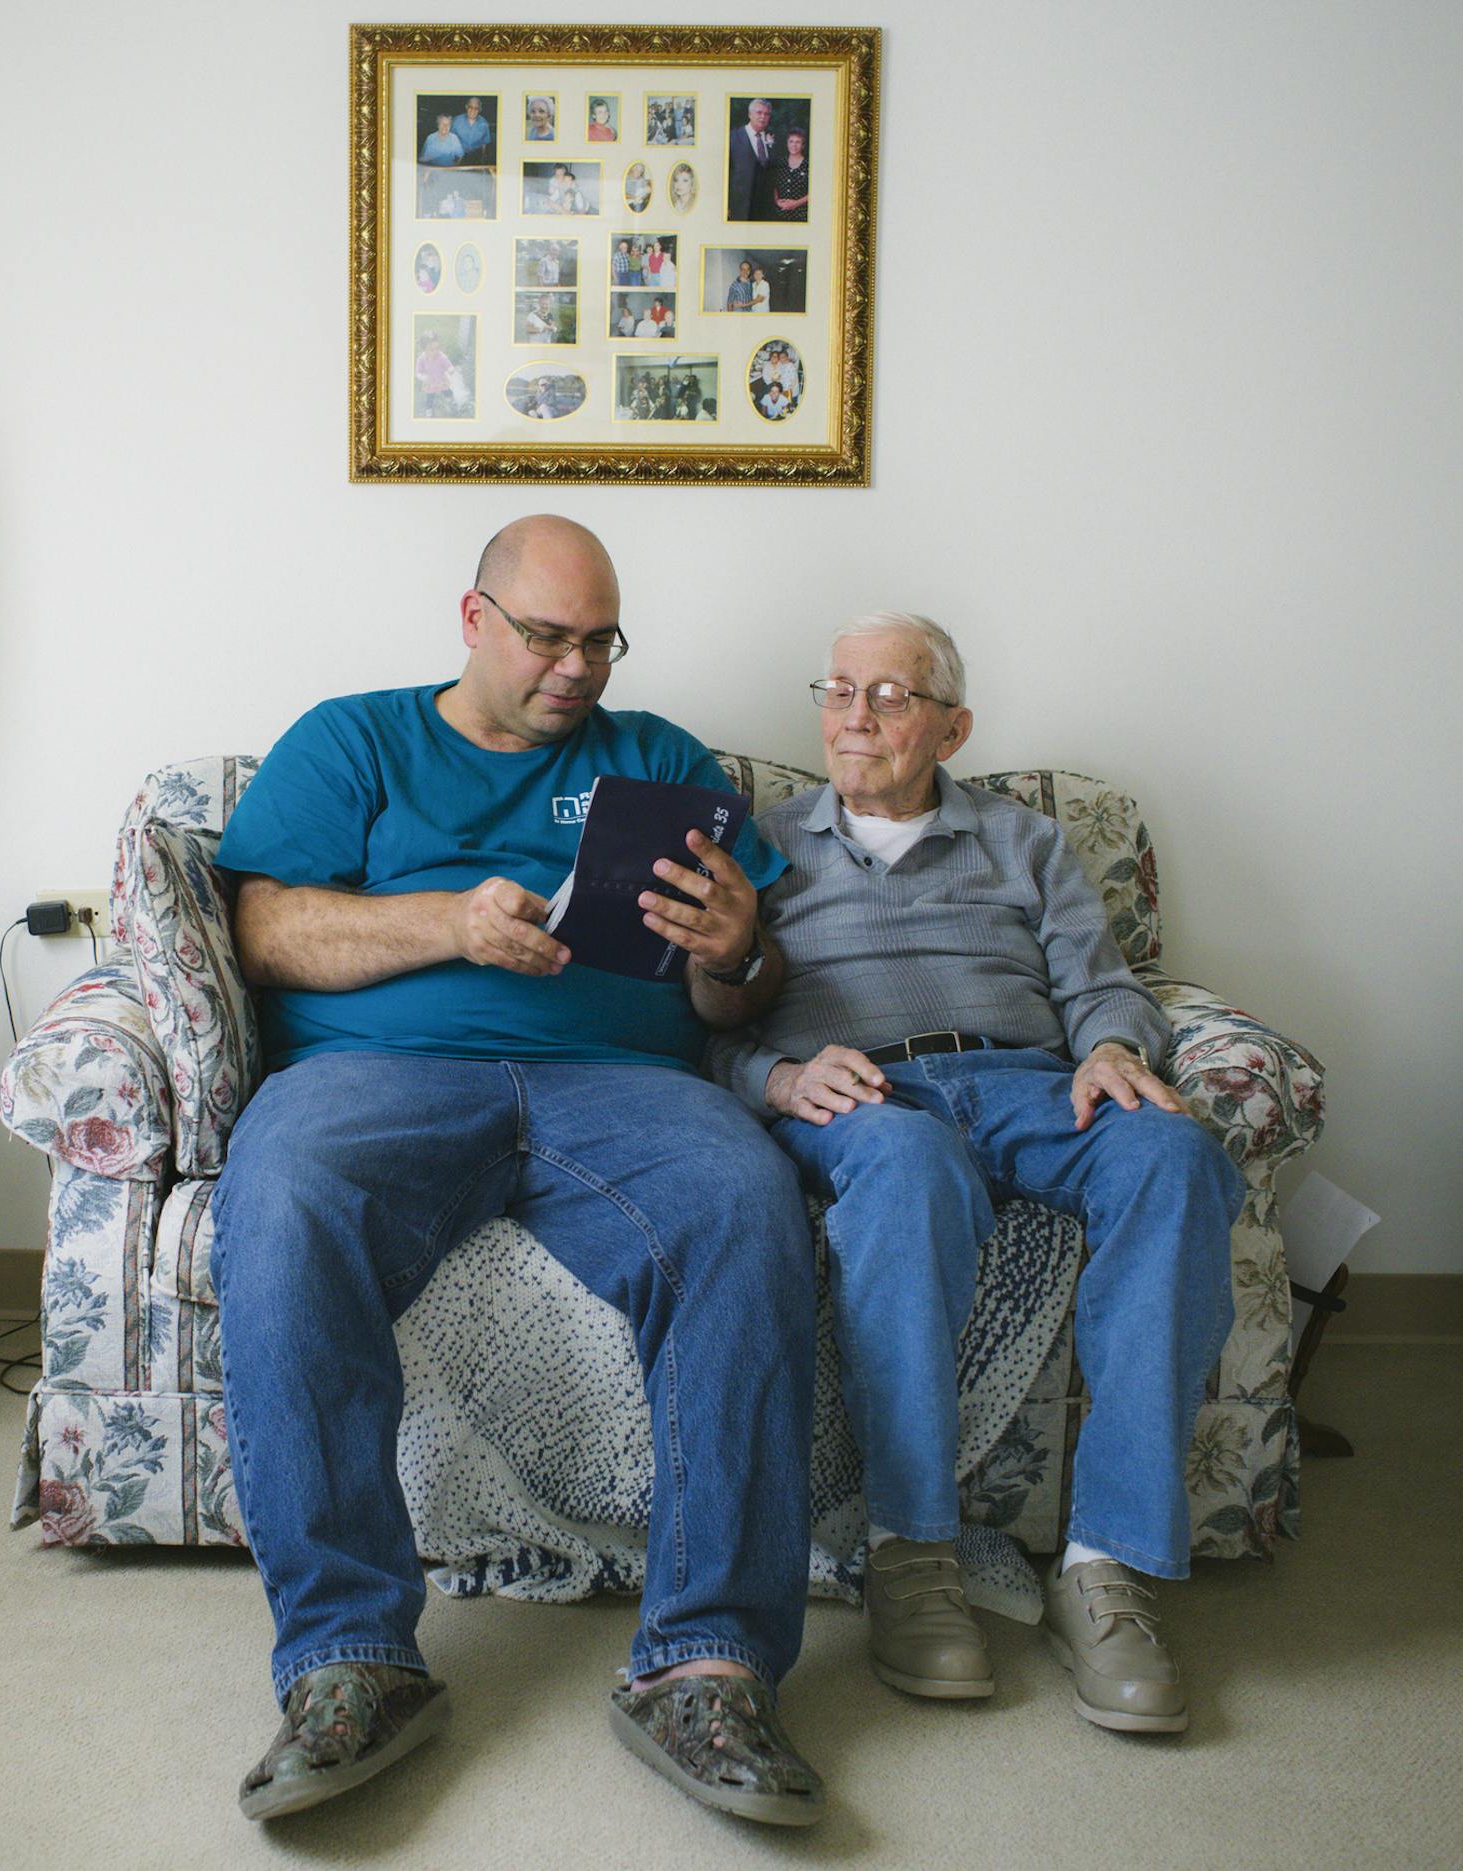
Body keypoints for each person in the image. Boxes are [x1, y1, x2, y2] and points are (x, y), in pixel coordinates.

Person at [216, 516, 825, 1829]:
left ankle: (705, 1664)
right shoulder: (356, 739)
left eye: (599, 639)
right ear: (473, 617)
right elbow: (264, 930)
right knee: (280, 1200)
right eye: (547, 635)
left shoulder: (660, 757)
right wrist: (450, 921)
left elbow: (742, 997)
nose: (576, 667)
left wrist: (736, 946)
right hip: (379, 1080)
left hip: (627, 1087)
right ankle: (349, 1657)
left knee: (745, 1202)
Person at [707, 612, 1242, 1735]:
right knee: (905, 1163)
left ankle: (1104, 1563)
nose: (856, 715)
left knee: (1174, 1154)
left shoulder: (1025, 840)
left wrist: (1110, 1045)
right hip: (868, 1096)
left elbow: (1104, 979)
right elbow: (701, 1016)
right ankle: (912, 1550)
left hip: (1031, 1080)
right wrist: (781, 1074)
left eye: (891, 696)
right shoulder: (758, 845)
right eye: (840, 689)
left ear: (952, 727)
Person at [727, 97, 780, 220]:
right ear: (750, 114)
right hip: (740, 207)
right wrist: (726, 204)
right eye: (759, 113)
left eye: (767, 114)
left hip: (766, 209)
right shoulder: (732, 138)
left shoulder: (773, 139)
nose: (763, 117)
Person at [414, 332, 453, 416]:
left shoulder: (441, 356)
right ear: (424, 349)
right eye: (432, 349)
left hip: (442, 379)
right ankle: (429, 408)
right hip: (430, 382)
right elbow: (418, 372)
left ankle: (449, 398)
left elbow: (447, 364)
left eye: (437, 348)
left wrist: (450, 369)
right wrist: (423, 377)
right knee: (430, 397)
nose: (435, 351)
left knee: (446, 390)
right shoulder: (421, 359)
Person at [773, 129, 809, 219]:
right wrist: (777, 201)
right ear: (787, 144)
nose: (794, 145)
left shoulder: (809, 164)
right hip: (779, 213)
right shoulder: (780, 163)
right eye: (791, 141)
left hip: (801, 214)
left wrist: (796, 203)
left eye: (798, 142)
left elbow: (816, 191)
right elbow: (773, 185)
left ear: (803, 145)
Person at [451, 96, 493, 163]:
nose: (473, 110)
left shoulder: (484, 123)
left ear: (479, 109)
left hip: (476, 156)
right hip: (458, 155)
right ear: (466, 107)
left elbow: (484, 142)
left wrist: (483, 156)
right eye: (470, 107)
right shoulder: (456, 121)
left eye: (476, 108)